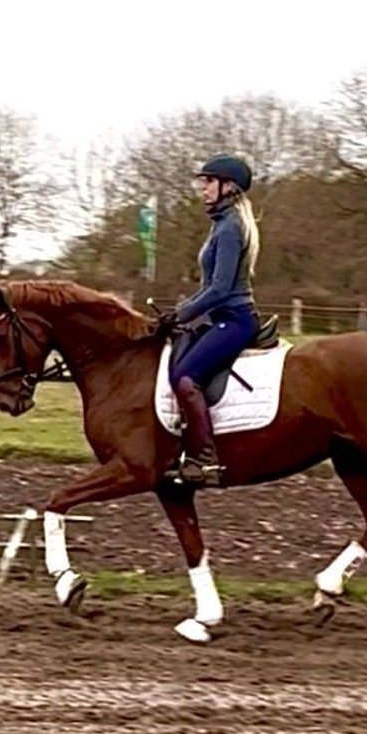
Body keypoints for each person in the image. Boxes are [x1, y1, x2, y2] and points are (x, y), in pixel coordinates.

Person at [157, 153, 261, 487]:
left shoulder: (230, 227)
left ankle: (205, 460)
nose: (203, 188)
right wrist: (183, 313)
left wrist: (182, 313)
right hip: (219, 316)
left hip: (235, 318)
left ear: (228, 187)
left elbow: (219, 288)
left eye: (209, 182)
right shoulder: (222, 222)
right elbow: (209, 288)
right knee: (175, 368)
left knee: (187, 379)